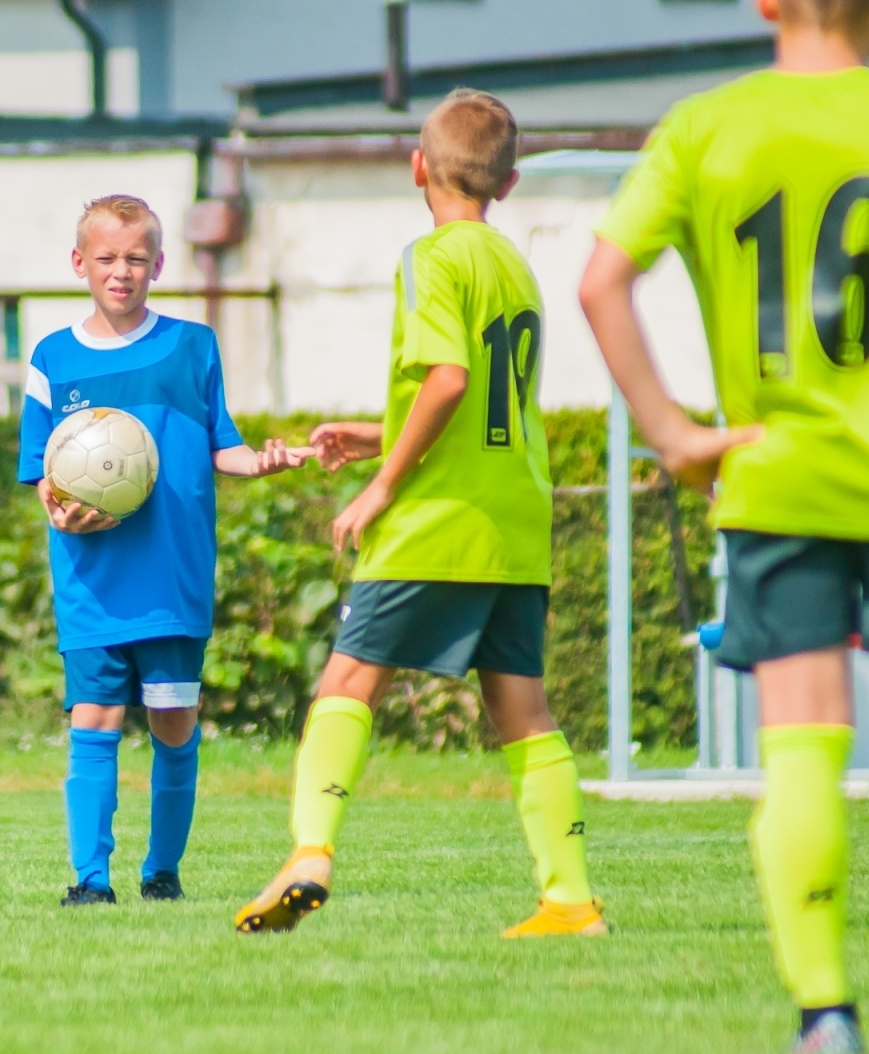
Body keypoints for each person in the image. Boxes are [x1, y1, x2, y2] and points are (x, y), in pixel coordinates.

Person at [579, 0, 869, 1054]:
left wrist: (673, 431)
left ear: (763, 3)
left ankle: (826, 1016)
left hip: (775, 480)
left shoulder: (701, 126)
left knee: (801, 750)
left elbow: (601, 282)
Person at [234, 89, 603, 940]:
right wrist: (376, 437)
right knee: (524, 712)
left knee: (347, 682)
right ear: (507, 185)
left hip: (439, 517)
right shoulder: (515, 267)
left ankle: (309, 853)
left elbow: (449, 380)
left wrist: (381, 486)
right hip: (514, 521)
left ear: (416, 167)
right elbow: (483, 405)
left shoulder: (431, 258)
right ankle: (570, 900)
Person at [18, 194, 310, 906]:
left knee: (173, 719)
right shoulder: (52, 357)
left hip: (171, 579)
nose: (122, 272)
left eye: (137, 259)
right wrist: (62, 514)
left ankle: (163, 872)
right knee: (94, 719)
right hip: (91, 580)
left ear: (158, 265)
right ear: (79, 263)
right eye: (108, 259)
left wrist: (264, 462)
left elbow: (225, 448)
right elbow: (41, 473)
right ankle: (91, 879)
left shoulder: (191, 345)